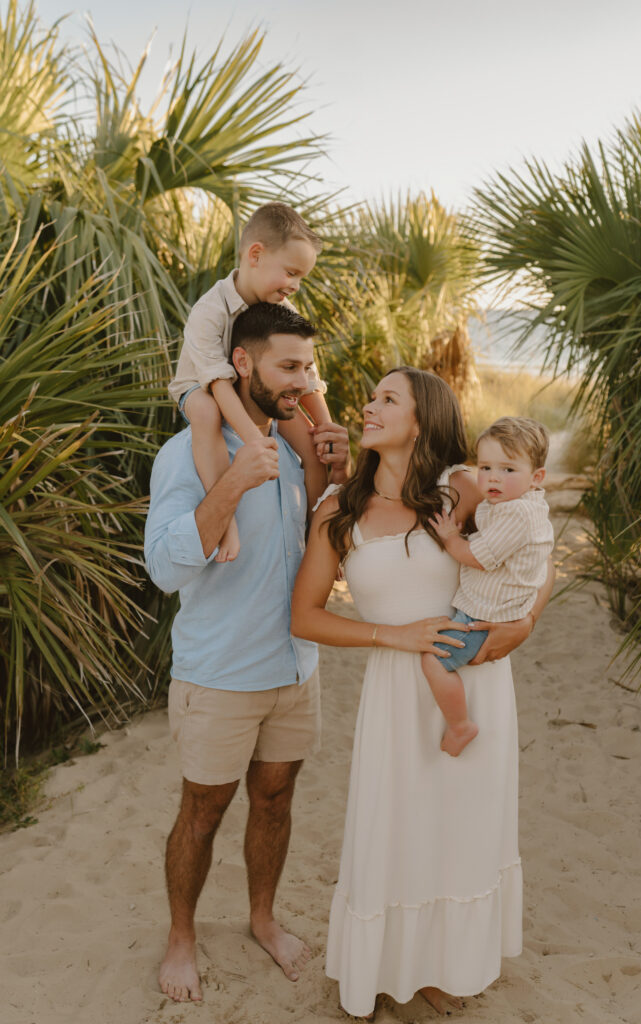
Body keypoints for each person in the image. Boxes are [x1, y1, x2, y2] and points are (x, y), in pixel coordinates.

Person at [291, 367, 554, 1018]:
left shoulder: (463, 490)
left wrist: (524, 622)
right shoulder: (339, 510)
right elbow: (304, 617)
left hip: (476, 688)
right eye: (371, 397)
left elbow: (533, 558)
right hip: (394, 693)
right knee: (397, 831)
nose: (369, 406)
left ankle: (441, 965)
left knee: (461, 832)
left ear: (423, 417)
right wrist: (392, 634)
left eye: (387, 399)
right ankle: (382, 969)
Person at [145, 302, 349, 1004]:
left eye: (307, 366)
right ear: (241, 364)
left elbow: (321, 552)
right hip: (220, 675)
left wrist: (334, 475)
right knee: (201, 812)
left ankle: (262, 918)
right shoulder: (186, 454)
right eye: (287, 366)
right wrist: (233, 482)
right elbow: (165, 569)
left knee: (275, 800)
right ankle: (181, 936)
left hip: (294, 670)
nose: (301, 380)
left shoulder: (294, 448)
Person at [168, 202, 332, 562]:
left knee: (309, 444)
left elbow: (307, 376)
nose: (295, 286)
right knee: (207, 414)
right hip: (200, 387)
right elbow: (217, 383)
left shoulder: (283, 312)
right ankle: (227, 523)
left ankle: (316, 538)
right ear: (255, 254)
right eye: (291, 273)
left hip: (256, 395)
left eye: (301, 277)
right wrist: (256, 441)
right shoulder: (208, 311)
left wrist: (326, 427)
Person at [422, 416, 555, 757]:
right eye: (485, 467)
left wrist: (452, 538)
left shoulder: (518, 514)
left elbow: (477, 557)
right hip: (491, 607)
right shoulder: (509, 504)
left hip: (485, 616)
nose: (493, 477)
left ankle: (459, 724)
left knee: (433, 662)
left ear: (536, 477)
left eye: (508, 470)